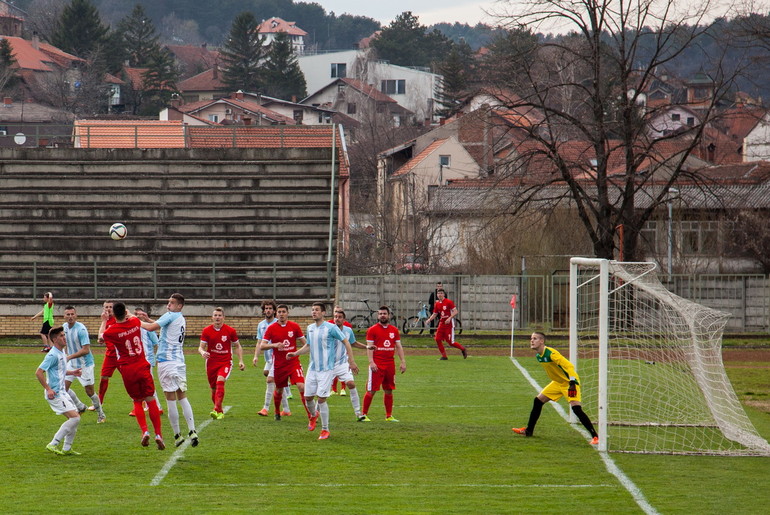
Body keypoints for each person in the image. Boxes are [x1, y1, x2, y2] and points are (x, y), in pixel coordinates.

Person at [512, 332, 599, 445]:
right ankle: (528, 431)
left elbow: (569, 366)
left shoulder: (551, 353)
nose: (531, 341)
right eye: (531, 338)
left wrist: (572, 382)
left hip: (569, 382)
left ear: (542, 341)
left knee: (576, 409)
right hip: (557, 383)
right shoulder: (539, 356)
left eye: (535, 338)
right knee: (538, 401)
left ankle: (596, 437)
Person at [288, 302, 358, 440]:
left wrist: (351, 361)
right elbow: (308, 345)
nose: (314, 312)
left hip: (326, 369)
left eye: (317, 310)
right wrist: (295, 354)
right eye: (312, 310)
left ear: (323, 313)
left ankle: (325, 429)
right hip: (313, 368)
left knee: (321, 399)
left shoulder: (331, 328)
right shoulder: (310, 328)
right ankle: (314, 415)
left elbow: (346, 342)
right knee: (308, 398)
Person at [101, 302, 165, 450]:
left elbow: (101, 336)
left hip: (128, 369)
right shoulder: (135, 322)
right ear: (125, 312)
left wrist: (104, 320)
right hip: (142, 365)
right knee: (150, 400)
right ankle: (158, 434)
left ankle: (145, 431)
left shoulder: (112, 331)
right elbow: (131, 317)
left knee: (137, 401)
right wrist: (128, 313)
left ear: (114, 314)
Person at [137, 293, 198, 448]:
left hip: (166, 361)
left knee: (170, 399)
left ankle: (177, 434)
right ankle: (192, 430)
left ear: (179, 306)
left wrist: (134, 319)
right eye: (168, 302)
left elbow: (151, 328)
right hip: (179, 362)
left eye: (171, 303)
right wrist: (147, 319)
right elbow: (162, 325)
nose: (168, 305)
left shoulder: (170, 315)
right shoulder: (180, 318)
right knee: (182, 397)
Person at [35, 326, 82, 455]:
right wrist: (48, 389)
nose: (64, 337)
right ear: (55, 339)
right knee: (75, 418)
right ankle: (53, 444)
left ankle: (67, 449)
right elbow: (39, 372)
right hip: (54, 394)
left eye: (64, 335)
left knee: (75, 417)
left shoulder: (62, 352)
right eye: (61, 336)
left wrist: (72, 372)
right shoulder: (52, 355)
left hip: (62, 392)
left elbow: (59, 370)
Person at [259, 304, 310, 422]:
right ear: (276, 314)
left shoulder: (294, 326)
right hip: (279, 365)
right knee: (279, 389)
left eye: (283, 312)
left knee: (302, 386)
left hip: (293, 363)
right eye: (279, 312)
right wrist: (274, 345)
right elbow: (262, 345)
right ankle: (277, 411)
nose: (281, 314)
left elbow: (306, 344)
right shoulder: (271, 328)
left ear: (288, 313)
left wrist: (297, 353)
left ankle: (310, 415)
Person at [361, 306, 407, 422]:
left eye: (384, 313)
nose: (382, 315)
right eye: (380, 313)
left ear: (389, 315)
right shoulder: (372, 330)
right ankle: (363, 415)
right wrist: (371, 362)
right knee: (372, 390)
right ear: (378, 316)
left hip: (390, 364)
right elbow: (369, 347)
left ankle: (388, 416)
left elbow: (399, 347)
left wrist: (403, 361)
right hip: (377, 364)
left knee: (389, 389)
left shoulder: (394, 330)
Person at [62, 305, 106, 423]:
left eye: (72, 314)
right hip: (71, 364)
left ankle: (101, 414)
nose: (70, 317)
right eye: (68, 314)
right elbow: (64, 344)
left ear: (76, 315)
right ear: (64, 316)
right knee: (63, 388)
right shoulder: (64, 328)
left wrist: (69, 357)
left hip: (84, 365)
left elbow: (86, 349)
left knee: (89, 391)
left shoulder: (81, 329)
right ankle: (80, 406)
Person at [199, 307, 244, 420]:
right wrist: (203, 352)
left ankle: (216, 410)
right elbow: (200, 347)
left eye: (219, 315)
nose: (217, 317)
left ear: (223, 318)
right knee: (213, 388)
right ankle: (220, 411)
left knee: (220, 381)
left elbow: (237, 346)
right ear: (212, 317)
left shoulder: (230, 331)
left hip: (225, 362)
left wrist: (241, 361)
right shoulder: (206, 330)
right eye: (215, 315)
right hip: (211, 363)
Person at [253, 300, 291, 417]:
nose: (268, 310)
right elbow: (259, 342)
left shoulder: (279, 323)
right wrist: (256, 356)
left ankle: (266, 408)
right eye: (266, 308)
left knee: (270, 380)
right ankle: (286, 409)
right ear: (264, 310)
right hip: (269, 358)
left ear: (274, 311)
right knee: (275, 381)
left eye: (270, 308)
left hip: (279, 358)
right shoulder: (261, 325)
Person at [331, 308, 368, 420]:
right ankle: (315, 414)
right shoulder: (329, 330)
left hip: (342, 363)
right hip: (328, 365)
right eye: (335, 317)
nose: (337, 319)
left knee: (351, 384)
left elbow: (353, 343)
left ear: (344, 319)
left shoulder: (348, 330)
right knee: (322, 393)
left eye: (339, 317)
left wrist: (366, 346)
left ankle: (358, 413)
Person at [129, 308, 163, 417]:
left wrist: (157, 358)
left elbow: (156, 343)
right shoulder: (131, 328)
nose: (138, 316)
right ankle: (143, 406)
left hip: (146, 360)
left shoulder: (148, 329)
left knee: (147, 384)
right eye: (136, 314)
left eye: (140, 314)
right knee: (137, 384)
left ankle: (156, 407)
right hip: (135, 361)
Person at [425, 288, 467, 360]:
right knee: (437, 339)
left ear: (444, 294)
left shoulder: (449, 302)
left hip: (449, 324)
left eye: (441, 293)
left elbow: (455, 311)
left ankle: (462, 349)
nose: (440, 295)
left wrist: (449, 318)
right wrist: (429, 319)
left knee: (450, 342)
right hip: (442, 323)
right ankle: (444, 356)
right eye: (438, 293)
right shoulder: (437, 304)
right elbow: (435, 314)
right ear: (437, 295)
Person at [96, 300, 118, 406]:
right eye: (106, 307)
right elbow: (100, 339)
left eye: (110, 307)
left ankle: (139, 404)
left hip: (121, 355)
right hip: (110, 355)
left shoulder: (118, 320)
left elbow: (101, 337)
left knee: (130, 380)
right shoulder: (105, 321)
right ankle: (99, 403)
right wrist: (103, 322)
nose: (108, 309)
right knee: (103, 378)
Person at [330, 306, 354, 396]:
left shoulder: (348, 328)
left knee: (345, 375)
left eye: (339, 314)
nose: (337, 318)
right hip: (329, 360)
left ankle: (343, 389)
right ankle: (333, 389)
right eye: (335, 313)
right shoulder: (328, 325)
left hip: (343, 356)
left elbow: (352, 342)